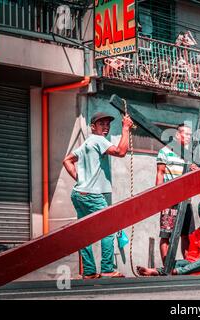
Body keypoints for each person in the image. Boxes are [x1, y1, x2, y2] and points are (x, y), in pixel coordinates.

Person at [63, 111, 133, 279]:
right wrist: (125, 128)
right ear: (93, 127)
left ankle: (89, 271)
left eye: (108, 124)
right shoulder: (99, 140)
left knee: (85, 233)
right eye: (102, 124)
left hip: (79, 194)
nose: (106, 127)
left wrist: (81, 179)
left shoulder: (88, 143)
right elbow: (121, 151)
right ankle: (107, 269)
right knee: (108, 230)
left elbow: (67, 160)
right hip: (93, 196)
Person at [137, 189, 200, 276]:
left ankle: (177, 271)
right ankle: (159, 271)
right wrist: (187, 263)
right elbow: (192, 257)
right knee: (179, 263)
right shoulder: (198, 232)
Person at [156, 123, 197, 264]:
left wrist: (194, 170)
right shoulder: (164, 152)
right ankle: (166, 267)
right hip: (169, 200)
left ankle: (188, 265)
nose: (189, 137)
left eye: (190, 135)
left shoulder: (189, 155)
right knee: (166, 234)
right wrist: (159, 197)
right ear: (177, 135)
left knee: (187, 235)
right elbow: (160, 174)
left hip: (186, 200)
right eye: (186, 134)